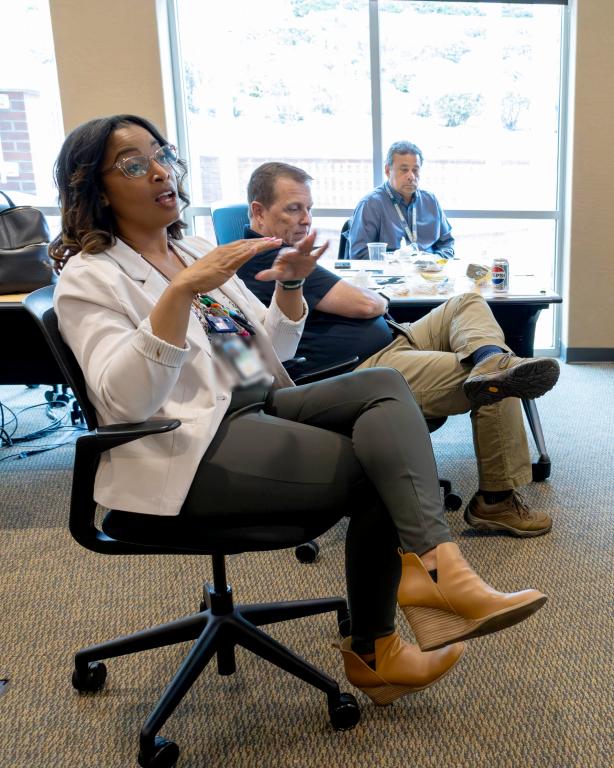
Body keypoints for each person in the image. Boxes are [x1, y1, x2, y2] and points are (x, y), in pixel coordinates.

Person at [50, 114, 547, 707]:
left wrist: (289, 287)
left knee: (387, 386)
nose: (160, 171)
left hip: (254, 400)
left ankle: (437, 575)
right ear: (94, 189)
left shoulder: (190, 249)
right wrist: (180, 295)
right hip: (187, 443)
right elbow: (128, 399)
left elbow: (257, 358)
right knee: (380, 466)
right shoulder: (89, 279)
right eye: (134, 163)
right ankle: (378, 649)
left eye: (162, 155)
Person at [238, 162, 560, 537]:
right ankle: (497, 501)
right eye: (293, 209)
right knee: (504, 382)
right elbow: (367, 305)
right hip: (364, 370)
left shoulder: (288, 252)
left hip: (394, 338)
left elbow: (361, 302)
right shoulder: (271, 259)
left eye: (309, 209)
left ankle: (491, 359)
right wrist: (374, 297)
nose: (306, 219)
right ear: (258, 213)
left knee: (466, 303)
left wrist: (370, 298)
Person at [347, 140, 454, 260]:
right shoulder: (371, 204)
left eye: (415, 170)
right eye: (404, 170)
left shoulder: (430, 201)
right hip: (389, 275)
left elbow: (447, 244)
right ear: (388, 171)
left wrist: (435, 260)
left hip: (428, 274)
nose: (411, 176)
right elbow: (359, 255)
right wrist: (396, 261)